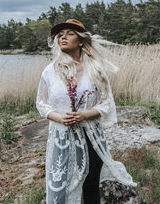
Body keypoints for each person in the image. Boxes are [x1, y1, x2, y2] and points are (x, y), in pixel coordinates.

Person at [36, 19, 136, 204]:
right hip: (62, 138)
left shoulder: (96, 70)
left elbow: (106, 104)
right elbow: (41, 103)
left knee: (90, 185)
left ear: (81, 41)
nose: (63, 37)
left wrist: (84, 115)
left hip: (91, 137)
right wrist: (59, 117)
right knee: (61, 183)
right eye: (60, 35)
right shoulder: (49, 71)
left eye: (70, 33)